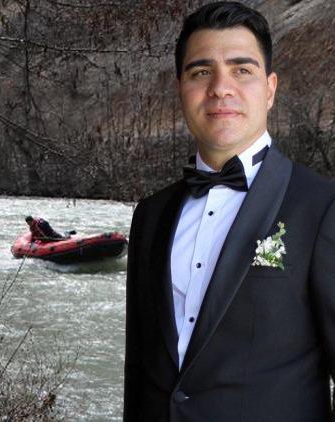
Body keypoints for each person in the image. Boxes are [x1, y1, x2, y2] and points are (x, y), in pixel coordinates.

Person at [123, 2, 335, 420]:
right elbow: (139, 371)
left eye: (242, 70)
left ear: (270, 89)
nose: (221, 87)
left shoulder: (323, 207)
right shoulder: (150, 215)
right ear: (180, 87)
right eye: (201, 72)